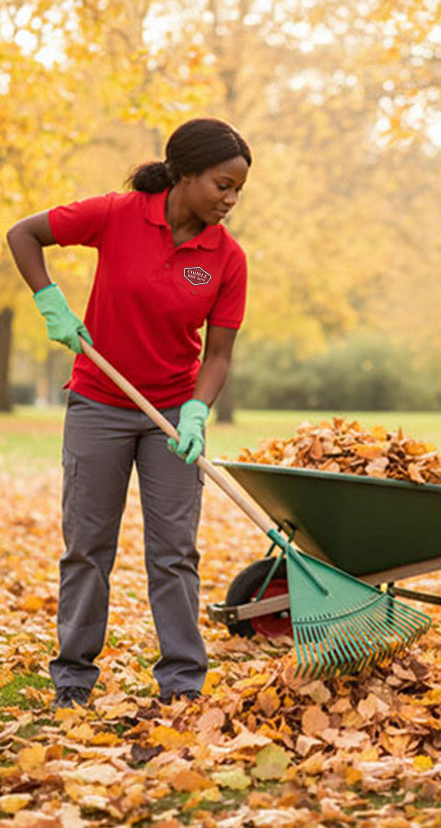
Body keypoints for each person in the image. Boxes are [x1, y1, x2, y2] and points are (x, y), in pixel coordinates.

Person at [6, 117, 251, 709]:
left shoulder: (226, 258)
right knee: (87, 545)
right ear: (184, 173)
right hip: (98, 403)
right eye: (222, 184)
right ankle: (72, 677)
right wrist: (49, 300)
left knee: (175, 551)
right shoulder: (117, 214)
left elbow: (217, 355)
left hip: (170, 412)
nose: (230, 199)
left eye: (238, 189)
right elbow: (23, 234)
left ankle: (183, 681)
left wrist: (196, 411)